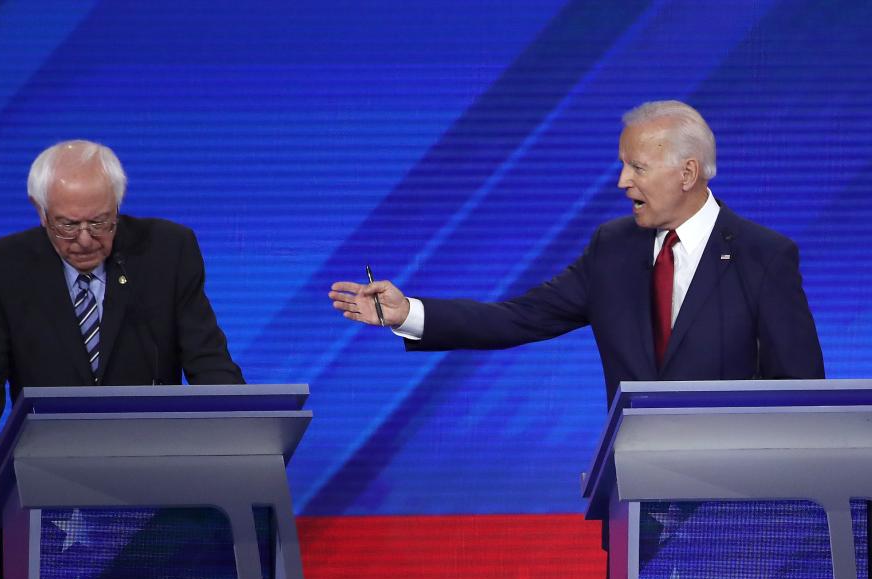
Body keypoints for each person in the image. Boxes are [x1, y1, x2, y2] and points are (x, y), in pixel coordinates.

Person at [329, 100, 825, 400]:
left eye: (636, 168)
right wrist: (407, 313)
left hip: (739, 509)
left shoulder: (763, 257)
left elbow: (800, 391)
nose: (621, 181)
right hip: (636, 501)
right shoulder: (613, 249)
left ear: (687, 173)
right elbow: (515, 319)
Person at [0, 140, 245, 579]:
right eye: (67, 225)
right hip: (47, 493)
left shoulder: (169, 249)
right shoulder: (0, 267)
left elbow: (209, 359)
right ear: (40, 210)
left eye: (101, 222)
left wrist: (240, 431)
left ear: (118, 205)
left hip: (156, 492)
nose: (86, 239)